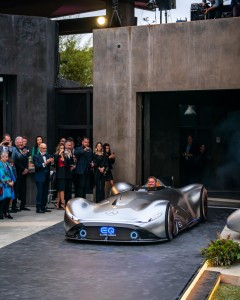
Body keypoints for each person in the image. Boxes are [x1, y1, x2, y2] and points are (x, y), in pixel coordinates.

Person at [33, 143, 54, 213]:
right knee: (40, 192)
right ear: (40, 148)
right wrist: (45, 163)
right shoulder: (36, 156)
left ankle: (43, 206)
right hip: (39, 177)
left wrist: (52, 161)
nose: (45, 150)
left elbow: (52, 163)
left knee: (45, 192)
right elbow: (37, 166)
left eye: (46, 148)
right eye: (44, 148)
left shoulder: (47, 155)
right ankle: (38, 207)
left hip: (46, 176)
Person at [12, 136, 30, 211]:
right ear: (16, 143)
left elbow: (26, 160)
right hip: (18, 172)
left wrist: (26, 168)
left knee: (23, 189)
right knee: (16, 190)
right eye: (20, 142)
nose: (21, 143)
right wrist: (23, 169)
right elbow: (16, 161)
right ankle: (14, 206)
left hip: (24, 172)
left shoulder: (24, 149)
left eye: (22, 142)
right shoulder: (14, 150)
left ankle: (23, 205)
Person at [0, 151, 16, 219]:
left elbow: (11, 173)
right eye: (6, 157)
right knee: (2, 199)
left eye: (7, 157)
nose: (7, 158)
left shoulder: (7, 164)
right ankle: (1, 213)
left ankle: (6, 212)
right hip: (2, 184)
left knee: (8, 199)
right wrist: (8, 182)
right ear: (1, 157)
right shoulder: (0, 164)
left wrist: (12, 181)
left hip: (9, 184)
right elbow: (1, 174)